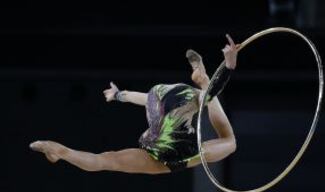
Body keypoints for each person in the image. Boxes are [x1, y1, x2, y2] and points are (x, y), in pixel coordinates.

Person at [30, 34, 238, 174]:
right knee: (229, 141)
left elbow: (138, 97)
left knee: (105, 160)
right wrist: (228, 65)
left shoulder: (158, 95)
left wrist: (118, 94)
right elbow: (213, 91)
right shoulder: (191, 96)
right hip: (182, 153)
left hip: (154, 149)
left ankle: (61, 151)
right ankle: (205, 79)